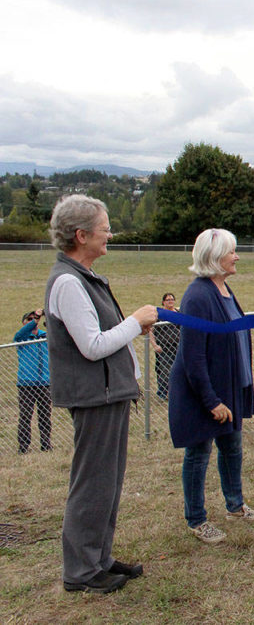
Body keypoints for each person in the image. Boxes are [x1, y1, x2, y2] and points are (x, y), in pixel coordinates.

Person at [44, 194, 158, 593]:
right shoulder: (68, 283)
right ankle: (81, 571)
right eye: (105, 228)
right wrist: (135, 321)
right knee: (92, 483)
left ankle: (99, 558)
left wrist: (129, 329)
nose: (110, 233)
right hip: (95, 397)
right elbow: (91, 346)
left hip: (109, 394)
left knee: (107, 482)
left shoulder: (84, 278)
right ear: (81, 235)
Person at [168, 228, 254, 544]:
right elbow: (193, 356)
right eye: (232, 251)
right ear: (214, 258)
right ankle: (196, 520)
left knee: (232, 447)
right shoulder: (197, 296)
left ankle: (235, 505)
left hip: (229, 388)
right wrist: (210, 400)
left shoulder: (223, 289)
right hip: (205, 393)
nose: (237, 256)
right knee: (198, 453)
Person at [14, 309, 51, 453]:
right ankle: (23, 447)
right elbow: (21, 333)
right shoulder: (21, 338)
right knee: (25, 416)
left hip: (44, 383)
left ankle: (46, 445)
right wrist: (36, 318)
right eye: (28, 319)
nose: (32, 322)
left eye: (33, 319)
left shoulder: (46, 336)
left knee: (45, 416)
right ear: (24, 323)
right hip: (26, 383)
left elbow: (58, 332)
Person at [149, 292, 179, 401]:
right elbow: (150, 331)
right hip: (164, 348)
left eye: (172, 299)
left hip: (178, 346)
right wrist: (155, 345)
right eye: (168, 300)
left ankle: (176, 392)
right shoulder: (159, 314)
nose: (170, 301)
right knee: (164, 370)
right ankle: (162, 393)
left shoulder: (178, 313)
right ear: (163, 302)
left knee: (179, 369)